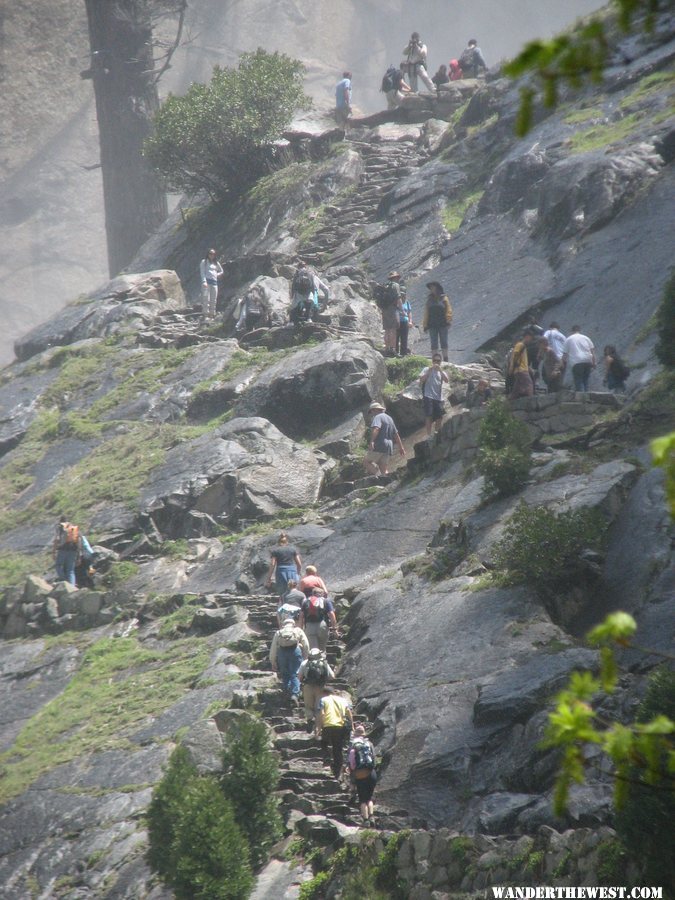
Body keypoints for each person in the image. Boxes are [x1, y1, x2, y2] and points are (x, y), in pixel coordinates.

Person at [269, 616, 310, 707]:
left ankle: (286, 692)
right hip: (295, 651)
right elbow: (306, 644)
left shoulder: (279, 632)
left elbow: (273, 648)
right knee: (295, 673)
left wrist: (273, 661)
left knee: (285, 674)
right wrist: (306, 656)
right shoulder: (297, 630)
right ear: (293, 624)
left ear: (284, 625)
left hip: (282, 653)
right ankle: (295, 694)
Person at [318, 688, 353, 778]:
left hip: (327, 725)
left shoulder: (323, 700)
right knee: (337, 749)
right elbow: (349, 712)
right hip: (340, 726)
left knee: (324, 743)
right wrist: (352, 725)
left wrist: (319, 728)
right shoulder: (343, 700)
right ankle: (337, 772)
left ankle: (327, 758)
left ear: (325, 693)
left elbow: (321, 713)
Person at [364, 401, 406, 476]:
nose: (372, 413)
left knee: (366, 462)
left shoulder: (377, 417)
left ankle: (380, 477)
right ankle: (387, 480)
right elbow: (396, 435)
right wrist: (401, 447)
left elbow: (376, 429)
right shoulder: (389, 418)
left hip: (380, 444)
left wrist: (372, 441)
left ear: (375, 410)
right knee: (383, 468)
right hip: (389, 447)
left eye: (371, 411)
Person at [298, 648, 335, 735]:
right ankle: (319, 728)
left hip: (308, 687)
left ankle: (310, 719)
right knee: (319, 707)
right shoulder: (324, 663)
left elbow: (299, 677)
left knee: (308, 706)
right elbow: (332, 676)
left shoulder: (305, 663)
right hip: (320, 687)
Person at [348, 724, 377, 825]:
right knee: (369, 797)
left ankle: (366, 820)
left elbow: (351, 764)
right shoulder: (369, 744)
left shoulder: (353, 745)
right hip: (371, 773)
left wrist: (353, 775)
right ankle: (372, 816)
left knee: (363, 799)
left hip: (360, 774)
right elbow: (374, 759)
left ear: (355, 735)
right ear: (364, 734)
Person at [299, 587, 339, 652]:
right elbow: (331, 614)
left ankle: (314, 660)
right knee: (322, 649)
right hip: (322, 626)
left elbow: (301, 616)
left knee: (313, 651)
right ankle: (322, 659)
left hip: (309, 627)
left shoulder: (306, 601)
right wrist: (334, 629)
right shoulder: (326, 601)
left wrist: (301, 630)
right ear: (322, 594)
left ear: (312, 594)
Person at [419, 354, 449, 438]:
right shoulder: (426, 369)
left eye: (438, 361)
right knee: (429, 415)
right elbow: (421, 379)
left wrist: (440, 370)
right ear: (432, 361)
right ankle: (429, 434)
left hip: (438, 397)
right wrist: (429, 370)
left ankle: (437, 433)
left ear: (440, 362)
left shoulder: (441, 372)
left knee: (439, 416)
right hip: (428, 395)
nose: (436, 362)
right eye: (435, 360)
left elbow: (446, 380)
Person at [422, 281, 453, 362]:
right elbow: (426, 312)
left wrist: (448, 320)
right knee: (434, 342)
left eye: (433, 287)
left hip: (443, 323)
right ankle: (435, 359)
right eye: (430, 288)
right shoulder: (429, 300)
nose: (431, 289)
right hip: (432, 324)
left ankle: (445, 358)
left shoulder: (444, 298)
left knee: (444, 341)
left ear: (437, 288)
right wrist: (425, 325)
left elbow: (448, 310)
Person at [375, 271, 403, 356]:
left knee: (387, 330)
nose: (398, 279)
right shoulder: (395, 285)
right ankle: (393, 350)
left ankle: (386, 348)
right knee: (393, 330)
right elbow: (398, 298)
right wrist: (402, 310)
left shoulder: (386, 286)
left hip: (384, 309)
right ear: (396, 278)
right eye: (397, 277)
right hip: (392, 309)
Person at [267, 532, 302, 597]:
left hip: (281, 571)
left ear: (278, 542)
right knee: (293, 589)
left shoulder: (275, 551)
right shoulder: (293, 550)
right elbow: (299, 564)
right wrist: (298, 573)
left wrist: (269, 578)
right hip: (292, 570)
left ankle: (284, 604)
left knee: (283, 591)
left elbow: (272, 564)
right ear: (287, 542)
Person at [562, 325, 596, 392]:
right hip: (587, 360)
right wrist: (594, 362)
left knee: (578, 381)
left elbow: (565, 354)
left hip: (576, 362)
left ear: (572, 331)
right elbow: (592, 352)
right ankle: (586, 396)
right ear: (579, 330)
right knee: (585, 380)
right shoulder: (586, 338)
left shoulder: (569, 339)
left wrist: (563, 363)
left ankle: (580, 398)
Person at [53, 517, 82, 587]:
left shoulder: (60, 527)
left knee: (58, 566)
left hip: (63, 550)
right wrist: (79, 555)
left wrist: (53, 552)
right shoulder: (74, 528)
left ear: (61, 521)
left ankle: (65, 581)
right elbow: (79, 541)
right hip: (73, 550)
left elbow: (56, 539)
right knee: (71, 570)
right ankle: (72, 586)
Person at [508, 330, 535, 400]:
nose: (530, 340)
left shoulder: (522, 346)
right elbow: (515, 356)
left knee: (517, 389)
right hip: (521, 369)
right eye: (530, 338)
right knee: (529, 384)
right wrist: (512, 367)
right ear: (527, 337)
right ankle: (531, 400)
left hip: (520, 370)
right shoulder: (520, 345)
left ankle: (510, 400)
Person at [199, 248, 223, 319]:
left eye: (213, 254)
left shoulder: (216, 263)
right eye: (210, 254)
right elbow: (202, 272)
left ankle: (212, 314)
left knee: (214, 299)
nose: (212, 255)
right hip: (206, 283)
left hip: (214, 283)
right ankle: (205, 314)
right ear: (208, 254)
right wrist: (204, 281)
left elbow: (221, 271)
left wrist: (217, 274)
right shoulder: (204, 262)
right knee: (206, 298)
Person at [397, 290, 413, 356]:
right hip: (398, 321)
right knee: (397, 337)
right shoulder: (397, 302)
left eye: (404, 295)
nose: (403, 296)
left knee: (404, 338)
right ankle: (396, 352)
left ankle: (403, 353)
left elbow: (409, 312)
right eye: (401, 295)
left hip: (405, 322)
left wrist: (410, 321)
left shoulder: (407, 303)